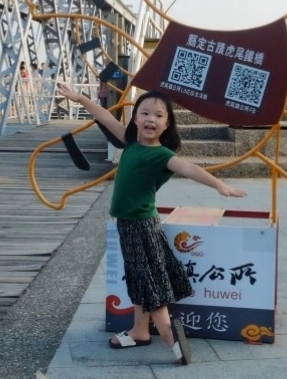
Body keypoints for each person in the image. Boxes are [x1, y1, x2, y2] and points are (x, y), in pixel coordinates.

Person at [56, 82, 248, 364]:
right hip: (131, 224)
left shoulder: (161, 155)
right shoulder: (130, 143)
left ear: (167, 124)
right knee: (139, 276)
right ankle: (140, 330)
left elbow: (190, 168)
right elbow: (106, 117)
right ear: (135, 118)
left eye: (158, 116)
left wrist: (221, 186)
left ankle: (169, 335)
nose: (150, 119)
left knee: (148, 279)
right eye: (145, 113)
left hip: (139, 225)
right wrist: (80, 98)